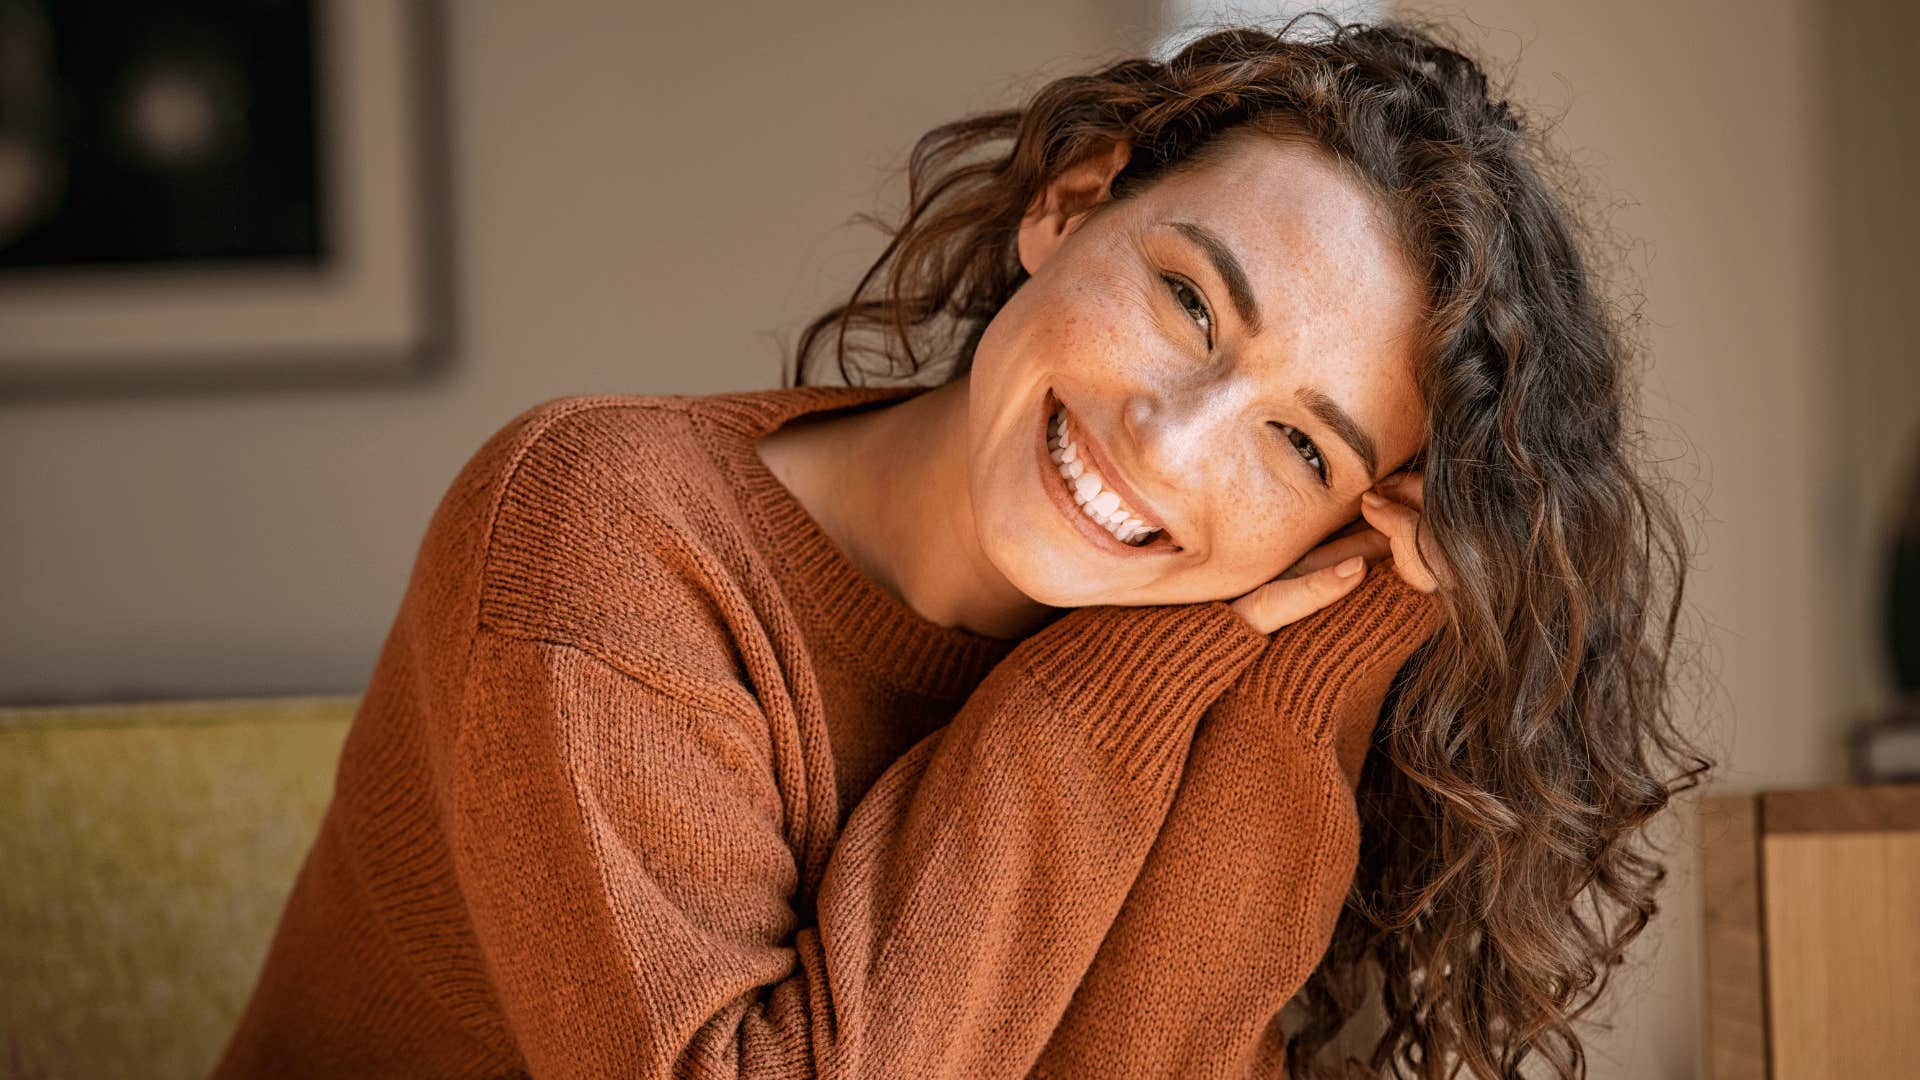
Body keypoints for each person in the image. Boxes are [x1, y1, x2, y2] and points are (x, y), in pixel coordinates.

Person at [215, 13, 1710, 1079]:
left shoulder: (1229, 659)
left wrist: (1309, 654)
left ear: (1351, 523)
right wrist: (1104, 690)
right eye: (1192, 304)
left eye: (1302, 446)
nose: (1171, 440)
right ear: (1069, 208)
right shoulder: (600, 531)